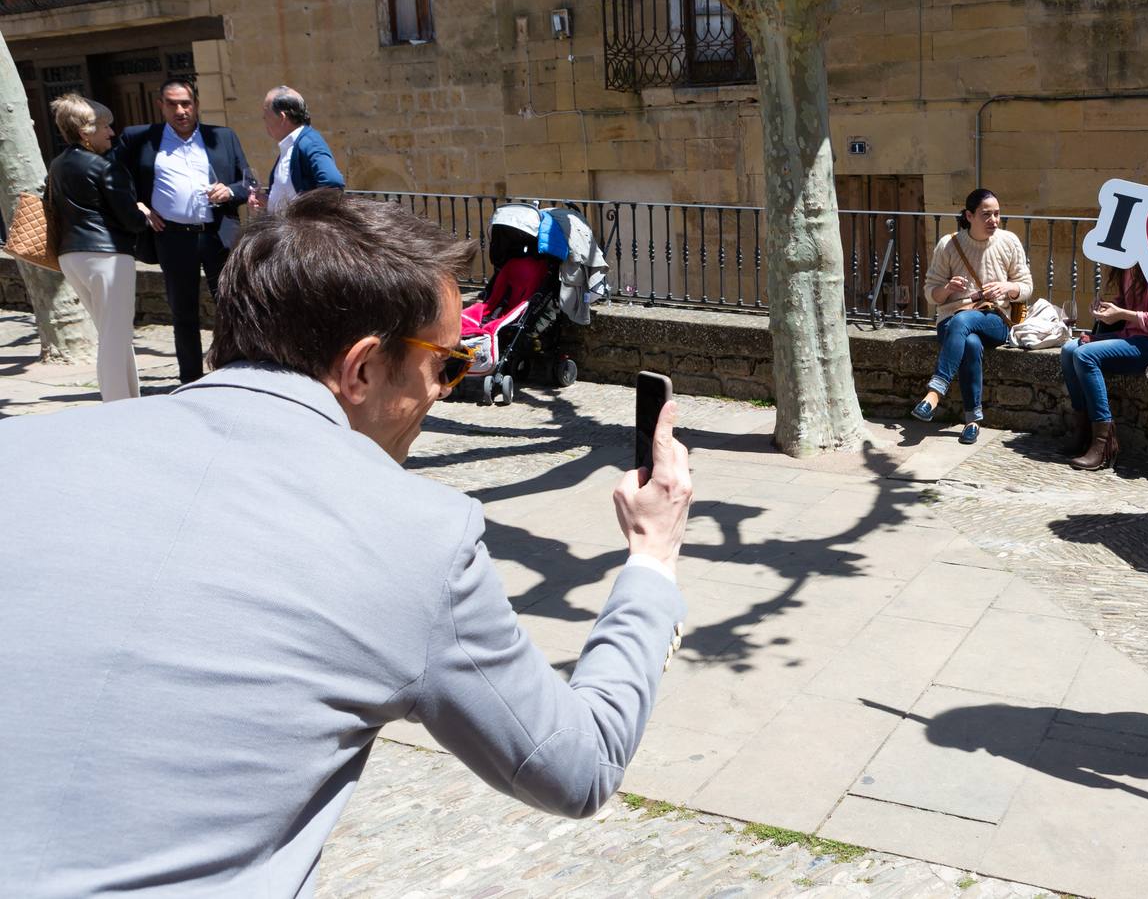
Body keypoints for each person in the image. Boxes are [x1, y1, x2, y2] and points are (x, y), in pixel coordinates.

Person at [0, 190, 694, 896]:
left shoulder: (16, 450)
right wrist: (650, 557)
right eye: (445, 366)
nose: (445, 392)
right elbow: (576, 765)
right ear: (362, 370)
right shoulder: (416, 536)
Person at [115, 77, 251, 384]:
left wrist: (229, 191)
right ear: (161, 106)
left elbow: (247, 183)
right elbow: (111, 178)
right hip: (173, 237)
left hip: (217, 234)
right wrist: (136, 205)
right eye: (173, 104)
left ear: (196, 105)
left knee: (231, 307)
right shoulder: (139, 139)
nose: (181, 110)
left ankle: (237, 373)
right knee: (183, 312)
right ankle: (190, 379)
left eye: (186, 103)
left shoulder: (223, 137)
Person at [911, 188, 1033, 445]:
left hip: (994, 320)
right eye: (986, 214)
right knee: (969, 341)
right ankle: (973, 420)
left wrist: (1006, 287)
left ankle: (934, 393)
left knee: (963, 321)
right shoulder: (949, 244)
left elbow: (1026, 286)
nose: (994, 220)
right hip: (952, 320)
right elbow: (930, 293)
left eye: (997, 214)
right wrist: (947, 289)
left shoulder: (1009, 241)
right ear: (969, 216)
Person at [46, 94, 147, 402]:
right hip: (107, 256)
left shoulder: (57, 165)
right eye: (105, 126)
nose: (112, 133)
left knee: (111, 333)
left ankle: (129, 400)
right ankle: (118, 408)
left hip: (71, 257)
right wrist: (140, 212)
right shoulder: (106, 167)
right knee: (115, 337)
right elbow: (131, 220)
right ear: (85, 130)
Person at [1059, 267, 1148, 470]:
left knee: (1085, 355)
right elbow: (1129, 306)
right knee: (1069, 349)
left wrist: (1122, 313)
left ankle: (1103, 443)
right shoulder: (1128, 267)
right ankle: (1083, 430)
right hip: (1134, 335)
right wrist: (1109, 309)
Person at [248, 85, 345, 215]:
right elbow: (291, 193)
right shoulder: (291, 144)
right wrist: (268, 201)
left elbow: (333, 183)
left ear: (282, 117)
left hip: (303, 232)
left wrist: (307, 218)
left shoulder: (309, 142)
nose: (264, 120)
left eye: (266, 115)